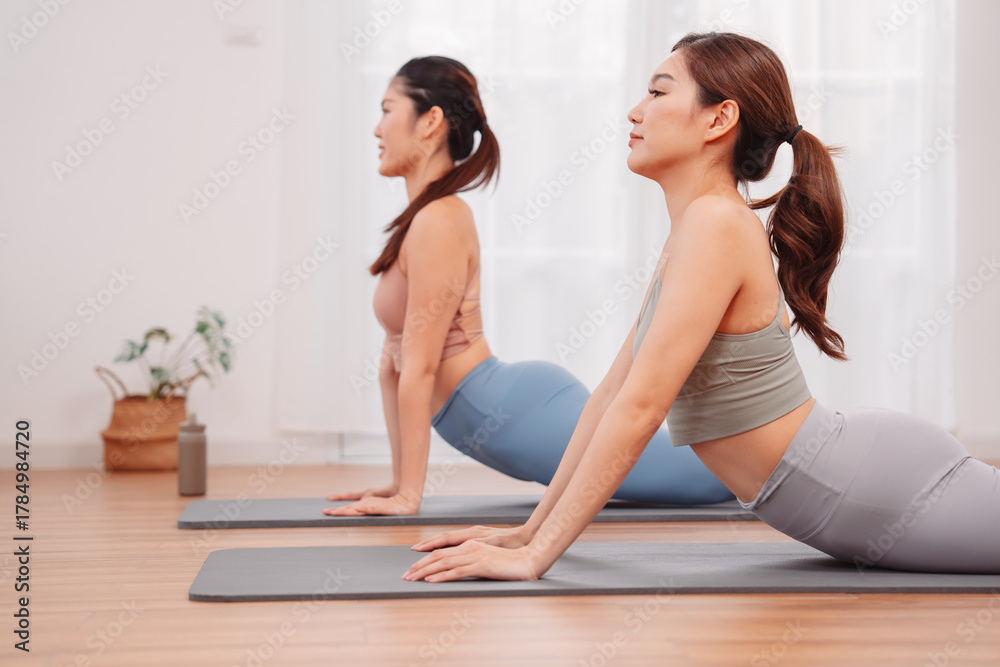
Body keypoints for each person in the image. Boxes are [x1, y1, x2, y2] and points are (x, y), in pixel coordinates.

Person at [402, 33, 1000, 580]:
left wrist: (539, 557)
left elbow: (641, 410)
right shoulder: (695, 228)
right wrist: (530, 532)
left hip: (874, 487)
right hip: (853, 481)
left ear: (720, 118)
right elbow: (612, 395)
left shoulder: (716, 224)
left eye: (659, 92)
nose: (634, 111)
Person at [323, 56, 733, 518]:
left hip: (513, 414)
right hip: (492, 411)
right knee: (694, 471)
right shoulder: (421, 219)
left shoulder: (440, 220)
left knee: (716, 478)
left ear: (431, 121)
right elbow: (392, 366)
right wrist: (398, 483)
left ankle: (775, 446)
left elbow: (418, 370)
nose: (377, 130)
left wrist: (409, 498)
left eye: (386, 109)